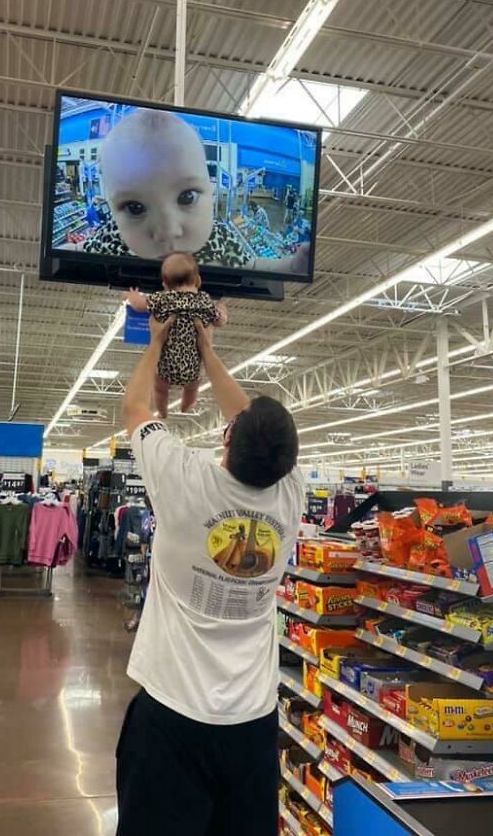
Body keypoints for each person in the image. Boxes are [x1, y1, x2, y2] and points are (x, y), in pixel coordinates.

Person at [115, 315, 303, 836]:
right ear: (290, 461)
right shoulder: (292, 495)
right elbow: (250, 424)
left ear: (227, 436)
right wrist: (209, 354)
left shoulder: (182, 480)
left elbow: (133, 408)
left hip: (171, 716)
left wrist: (158, 343)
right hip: (252, 721)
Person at [58, 108, 309, 274]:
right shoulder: (113, 237)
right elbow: (83, 251)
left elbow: (253, 264)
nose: (168, 230)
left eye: (186, 197)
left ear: (211, 193)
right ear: (112, 209)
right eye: (135, 208)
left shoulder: (218, 238)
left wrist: (291, 265)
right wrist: (65, 254)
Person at [125, 252, 228, 417]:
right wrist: (222, 309)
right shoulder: (204, 301)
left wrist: (132, 295)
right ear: (198, 280)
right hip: (192, 368)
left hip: (165, 367)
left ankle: (162, 411)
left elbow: (138, 305)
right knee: (192, 389)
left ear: (165, 284)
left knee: (159, 390)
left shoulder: (162, 299)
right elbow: (220, 321)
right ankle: (186, 406)